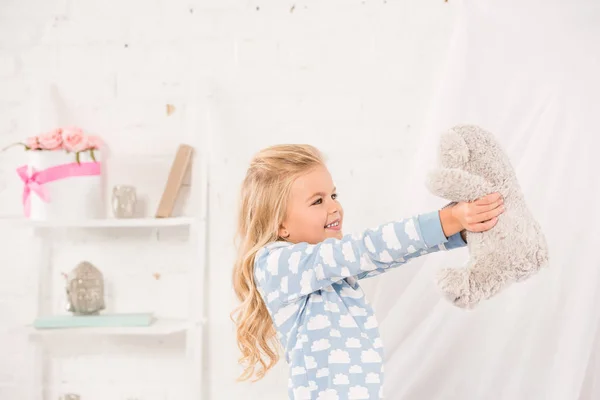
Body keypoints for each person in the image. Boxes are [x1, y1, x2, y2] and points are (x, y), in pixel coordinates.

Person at [231, 144, 504, 399]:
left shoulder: (325, 268)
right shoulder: (277, 263)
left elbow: (384, 257)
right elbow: (368, 249)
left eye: (333, 195)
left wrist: (458, 233)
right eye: (318, 202)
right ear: (280, 226)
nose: (334, 207)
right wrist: (448, 220)